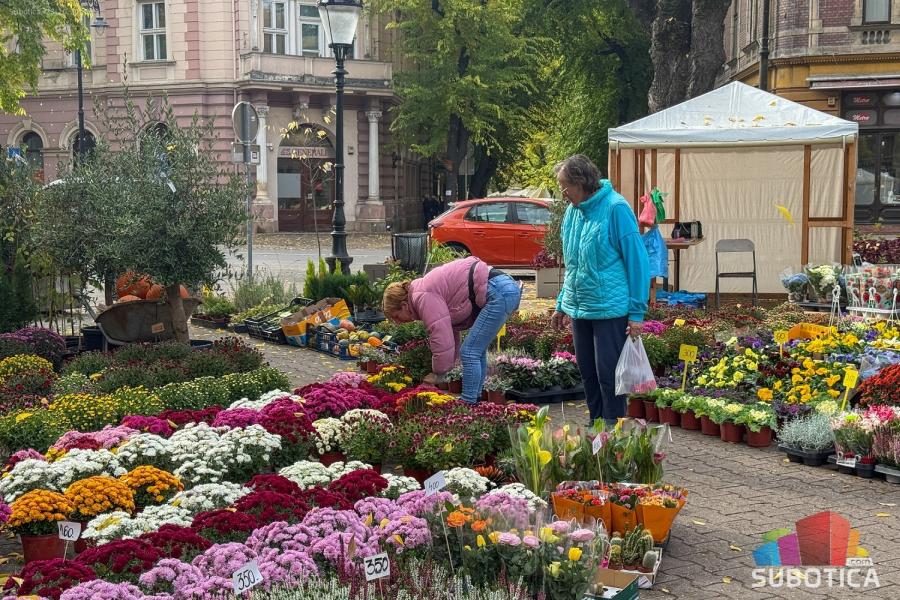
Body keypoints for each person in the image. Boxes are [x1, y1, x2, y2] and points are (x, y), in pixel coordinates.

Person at [551, 154, 650, 426]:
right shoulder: (573, 213)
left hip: (610, 309)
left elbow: (638, 262)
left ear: (581, 182)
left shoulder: (615, 208)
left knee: (609, 374)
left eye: (565, 185)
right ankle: (595, 427)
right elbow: (573, 264)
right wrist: (562, 303)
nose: (563, 192)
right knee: (588, 374)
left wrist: (637, 313)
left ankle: (613, 429)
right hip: (580, 308)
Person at [382, 256, 521, 403]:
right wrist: (447, 366)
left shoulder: (422, 296)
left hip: (497, 291)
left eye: (396, 317)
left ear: (404, 305)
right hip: (503, 287)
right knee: (476, 351)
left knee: (469, 352)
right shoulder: (421, 292)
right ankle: (475, 397)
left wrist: (437, 375)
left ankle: (468, 402)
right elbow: (449, 336)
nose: (398, 323)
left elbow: (440, 335)